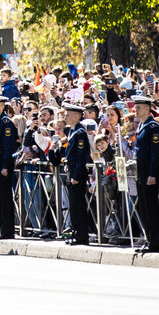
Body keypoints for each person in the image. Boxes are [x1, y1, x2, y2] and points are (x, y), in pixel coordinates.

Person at [133, 95, 159, 253]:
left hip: (149, 169)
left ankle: (155, 242)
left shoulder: (153, 127)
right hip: (141, 168)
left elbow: (155, 153)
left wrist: (152, 174)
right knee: (143, 206)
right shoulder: (142, 125)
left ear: (147, 108)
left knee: (151, 207)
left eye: (138, 107)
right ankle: (149, 239)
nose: (135, 110)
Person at [0, 95, 17, 240]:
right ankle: (2, 227)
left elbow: (7, 146)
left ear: (2, 106)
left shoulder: (6, 122)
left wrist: (5, 166)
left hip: (3, 162)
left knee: (5, 197)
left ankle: (7, 230)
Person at [62, 103, 91, 245]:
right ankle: (76, 232)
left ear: (76, 116)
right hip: (71, 170)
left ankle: (81, 235)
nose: (65, 117)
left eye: (68, 115)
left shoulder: (80, 132)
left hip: (77, 174)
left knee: (78, 206)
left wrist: (76, 176)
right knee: (73, 206)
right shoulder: (72, 131)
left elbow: (82, 156)